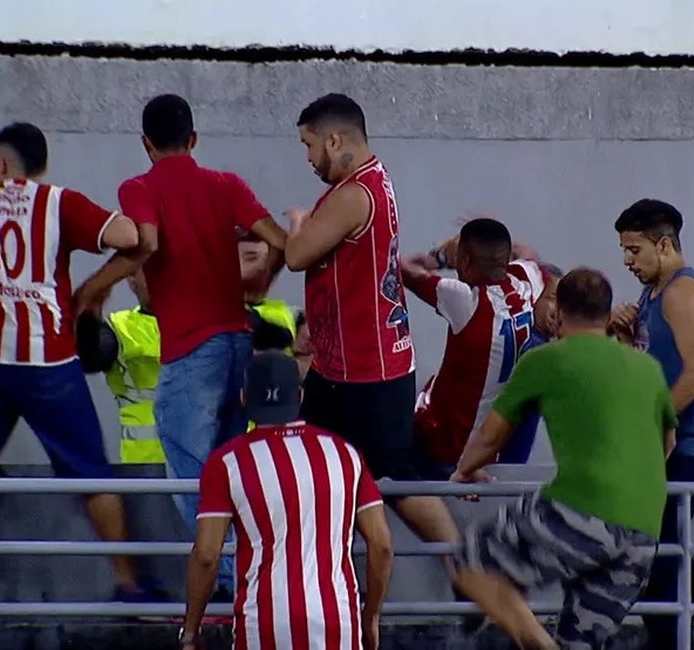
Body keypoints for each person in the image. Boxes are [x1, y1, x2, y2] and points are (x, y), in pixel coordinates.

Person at [0, 122, 158, 607]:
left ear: (1, 164)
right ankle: (128, 584)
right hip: (49, 356)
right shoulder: (59, 202)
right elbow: (129, 235)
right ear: (42, 164)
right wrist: (92, 289)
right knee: (89, 471)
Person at [118, 94, 288, 599]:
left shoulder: (138, 188)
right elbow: (280, 239)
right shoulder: (226, 185)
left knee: (195, 481)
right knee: (232, 474)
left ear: (146, 144)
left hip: (191, 354)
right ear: (194, 139)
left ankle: (242, 586)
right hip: (237, 345)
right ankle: (250, 581)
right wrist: (260, 280)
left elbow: (142, 248)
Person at [285, 93, 463, 572]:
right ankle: (326, 581)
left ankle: (467, 575)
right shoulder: (371, 180)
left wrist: (298, 223)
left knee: (393, 482)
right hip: (344, 366)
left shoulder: (352, 195)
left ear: (334, 139)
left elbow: (296, 254)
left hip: (365, 373)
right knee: (318, 472)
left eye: (309, 146)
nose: (308, 159)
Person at [451, 268, 673, 650]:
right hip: (644, 529)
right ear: (607, 315)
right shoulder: (647, 369)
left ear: (558, 314)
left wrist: (463, 471)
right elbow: (668, 441)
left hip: (583, 509)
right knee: (581, 641)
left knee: (472, 560)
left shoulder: (546, 360)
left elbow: (490, 437)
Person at [179, 351, 394, 650]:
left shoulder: (227, 463)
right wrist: (370, 616)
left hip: (263, 623)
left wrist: (191, 630)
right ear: (300, 396)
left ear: (244, 398)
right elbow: (381, 544)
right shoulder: (345, 454)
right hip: (338, 619)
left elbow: (206, 555)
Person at [608, 198, 694, 649]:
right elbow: (647, 367)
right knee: (648, 552)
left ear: (664, 244)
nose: (627, 261)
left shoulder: (682, 293)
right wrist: (623, 335)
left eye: (634, 250)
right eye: (623, 250)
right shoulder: (652, 293)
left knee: (653, 560)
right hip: (670, 442)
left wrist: (655, 425)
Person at [399, 218, 547, 479]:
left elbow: (403, 270)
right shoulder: (526, 281)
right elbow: (528, 255)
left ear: (464, 260)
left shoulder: (466, 301)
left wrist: (440, 257)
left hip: (446, 445)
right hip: (489, 443)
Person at [105, 270, 164, 465]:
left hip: (209, 463)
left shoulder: (213, 326)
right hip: (145, 466)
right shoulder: (118, 327)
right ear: (131, 279)